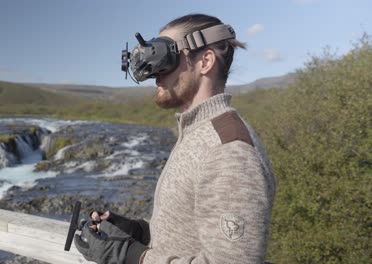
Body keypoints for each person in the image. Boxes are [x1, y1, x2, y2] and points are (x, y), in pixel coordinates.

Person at [74, 13, 276, 264]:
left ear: (205, 61)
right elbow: (193, 235)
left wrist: (132, 256)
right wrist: (139, 232)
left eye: (163, 56)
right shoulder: (197, 133)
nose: (154, 72)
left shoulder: (229, 151)